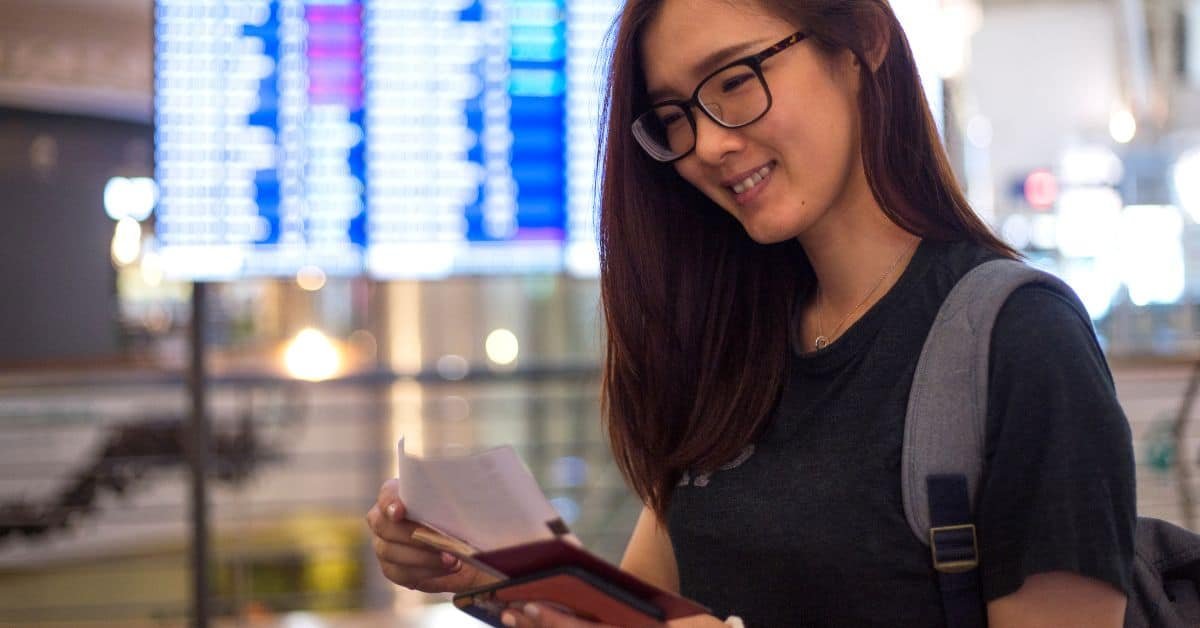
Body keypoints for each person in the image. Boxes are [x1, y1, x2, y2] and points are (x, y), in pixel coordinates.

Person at [366, 0, 1137, 625]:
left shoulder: (1019, 340)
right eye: (673, 115)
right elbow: (646, 604)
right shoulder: (734, 350)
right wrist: (495, 574)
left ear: (860, 41)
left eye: (733, 80)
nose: (704, 143)